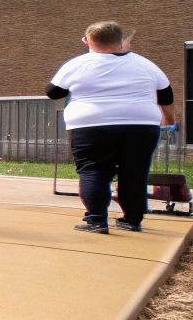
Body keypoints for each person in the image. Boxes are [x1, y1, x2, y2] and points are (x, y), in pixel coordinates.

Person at [48, 21, 174, 234]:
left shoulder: (77, 64)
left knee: (93, 170)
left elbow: (53, 92)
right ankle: (132, 219)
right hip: (141, 125)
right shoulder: (145, 64)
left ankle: (97, 220)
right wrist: (168, 119)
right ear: (120, 40)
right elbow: (166, 95)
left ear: (87, 40)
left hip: (91, 125)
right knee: (135, 172)